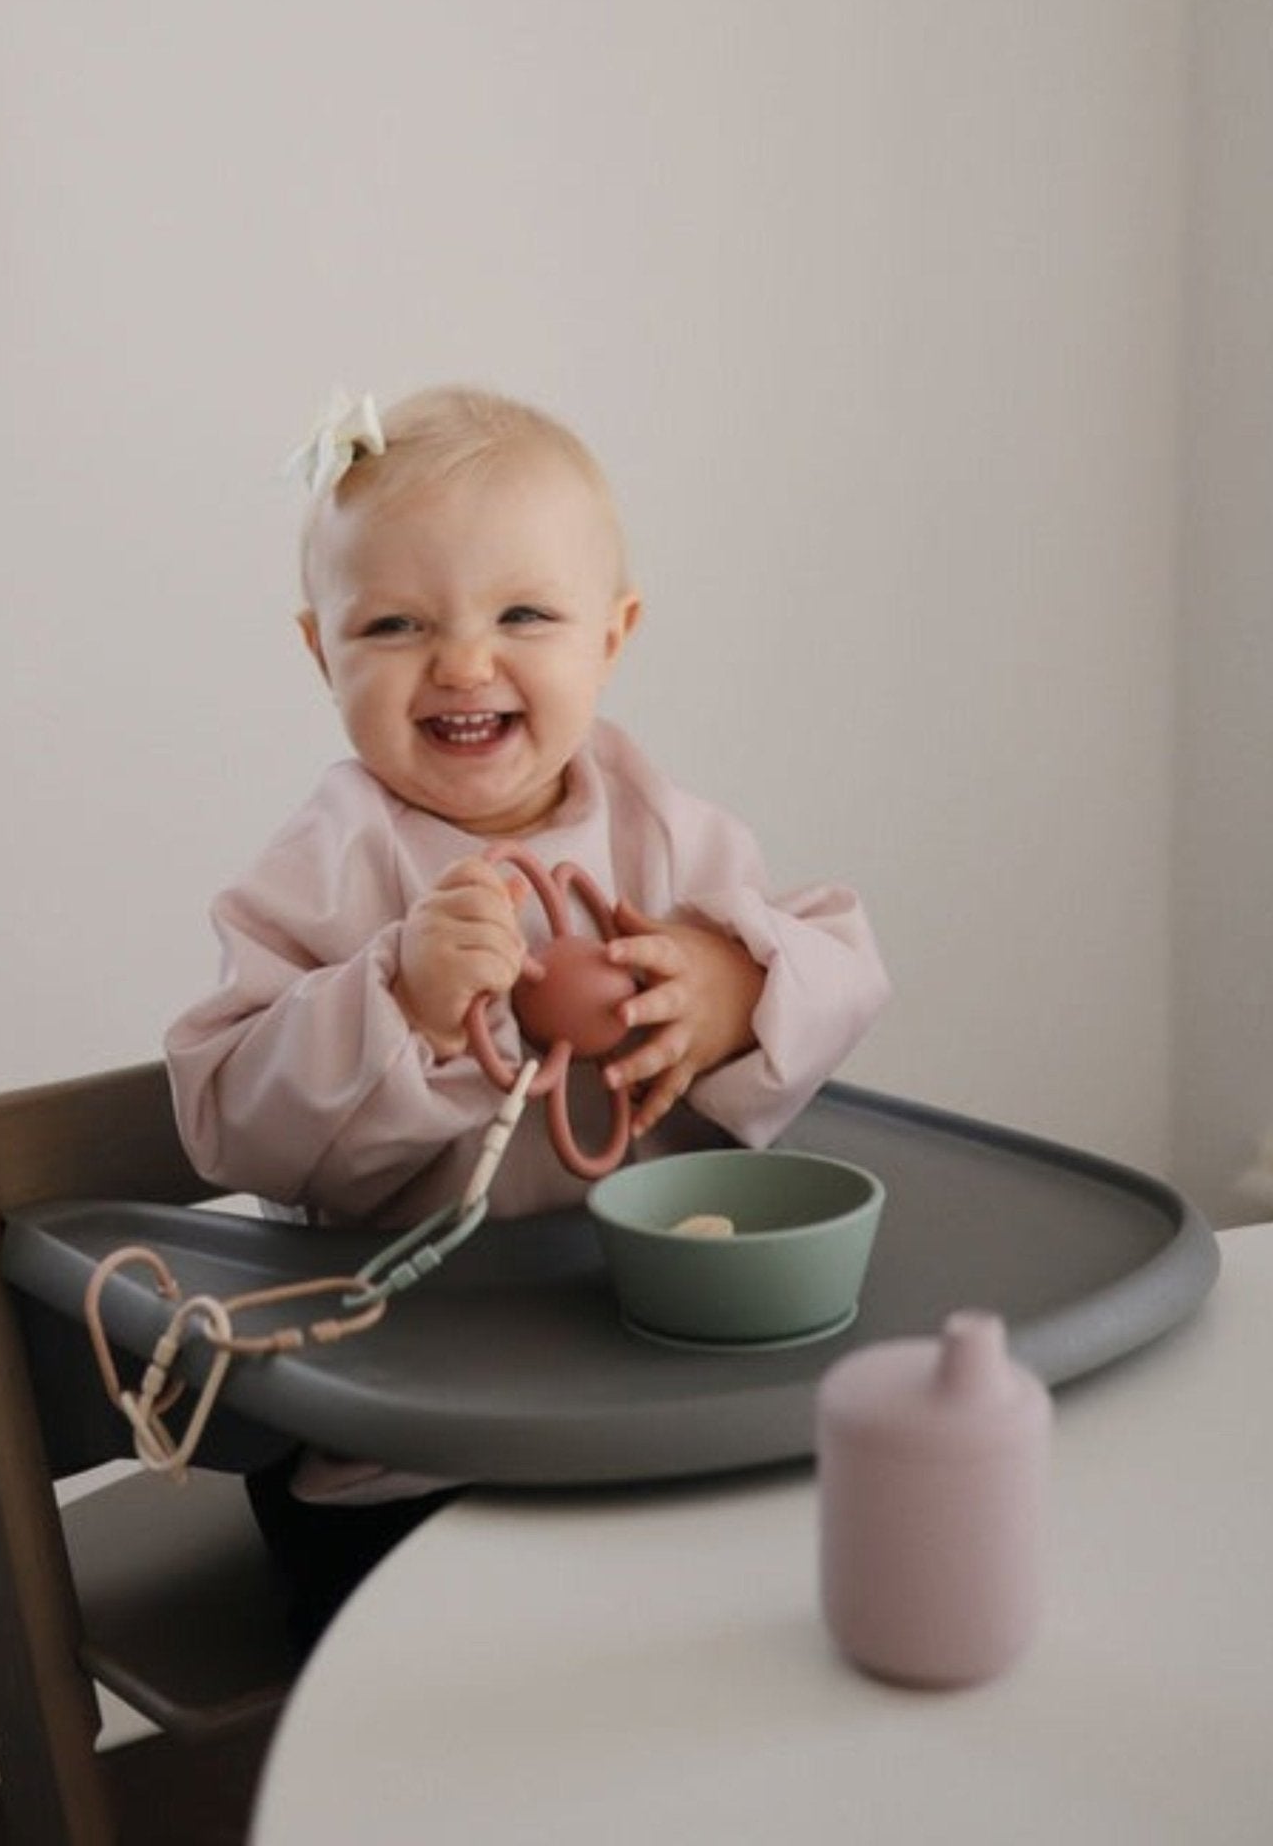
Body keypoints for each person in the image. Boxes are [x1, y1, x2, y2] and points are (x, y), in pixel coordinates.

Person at [164, 384, 889, 1647]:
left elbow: (841, 963)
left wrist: (731, 984)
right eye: (392, 622)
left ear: (610, 638)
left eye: (523, 615)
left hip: (653, 1378)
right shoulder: (324, 869)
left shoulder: (659, 826)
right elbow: (223, 1116)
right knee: (476, 1670)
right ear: (317, 649)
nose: (460, 661)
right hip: (411, 1438)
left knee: (785, 1579)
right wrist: (393, 996)